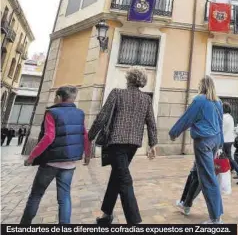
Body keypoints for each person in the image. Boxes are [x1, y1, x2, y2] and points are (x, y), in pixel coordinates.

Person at [88, 67, 158, 225]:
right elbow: (151, 123)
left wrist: (90, 136)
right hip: (133, 145)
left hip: (116, 143)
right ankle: (106, 215)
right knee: (117, 177)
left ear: (128, 79)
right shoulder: (146, 99)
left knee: (124, 180)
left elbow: (102, 117)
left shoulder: (117, 93)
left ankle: (134, 222)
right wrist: (152, 144)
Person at [20, 86, 90, 224]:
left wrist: (32, 156)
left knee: (36, 195)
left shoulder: (52, 112)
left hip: (50, 162)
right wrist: (87, 154)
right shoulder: (80, 113)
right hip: (69, 163)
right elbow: (85, 136)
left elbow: (48, 137)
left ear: (58, 97)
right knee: (64, 198)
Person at [169, 75, 224, 224]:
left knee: (207, 178)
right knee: (196, 173)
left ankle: (216, 218)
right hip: (215, 141)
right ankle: (186, 203)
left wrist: (173, 133)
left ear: (202, 86)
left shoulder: (199, 100)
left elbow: (186, 118)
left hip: (203, 143)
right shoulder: (218, 102)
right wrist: (221, 145)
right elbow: (220, 125)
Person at [222, 102, 238, 185]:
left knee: (225, 158)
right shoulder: (230, 117)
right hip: (230, 140)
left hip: (224, 140)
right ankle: (234, 172)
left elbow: (221, 130)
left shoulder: (223, 118)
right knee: (227, 158)